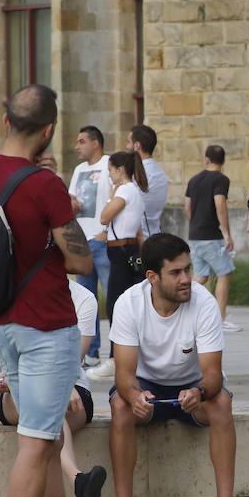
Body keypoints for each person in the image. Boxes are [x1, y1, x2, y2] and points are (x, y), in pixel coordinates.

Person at [0, 85, 109, 497]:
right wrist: (63, 208)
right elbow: (81, 260)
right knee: (35, 443)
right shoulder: (46, 185)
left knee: (43, 441)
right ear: (49, 130)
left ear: (2, 118)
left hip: (0, 323)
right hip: (46, 325)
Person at [106, 233, 239, 497]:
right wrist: (134, 395)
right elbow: (124, 373)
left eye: (188, 269)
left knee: (221, 404)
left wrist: (200, 393)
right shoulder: (129, 302)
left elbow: (213, 376)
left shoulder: (204, 302)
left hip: (193, 387)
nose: (186, 279)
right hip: (147, 386)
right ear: (152, 277)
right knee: (121, 407)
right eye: (176, 272)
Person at [0, 278, 107, 497]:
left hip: (72, 389)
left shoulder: (83, 298)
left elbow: (72, 361)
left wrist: (58, 386)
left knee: (41, 431)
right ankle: (76, 477)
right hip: (15, 394)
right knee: (45, 414)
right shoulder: (7, 291)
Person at [89, 151, 148, 380]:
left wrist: (112, 194)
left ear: (120, 170)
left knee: (116, 306)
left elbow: (104, 217)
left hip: (122, 252)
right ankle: (127, 357)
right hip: (129, 250)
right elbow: (138, 229)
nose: (110, 175)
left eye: (111, 170)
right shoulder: (135, 191)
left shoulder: (124, 190)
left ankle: (115, 359)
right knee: (129, 305)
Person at [67, 125, 112, 367]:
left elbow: (117, 196)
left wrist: (107, 230)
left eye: (82, 141)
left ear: (96, 143)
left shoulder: (108, 164)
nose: (77, 146)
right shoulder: (78, 170)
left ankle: (118, 353)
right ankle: (91, 352)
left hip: (102, 240)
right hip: (81, 243)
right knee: (86, 299)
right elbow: (72, 199)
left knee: (114, 298)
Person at [184, 144, 241, 332]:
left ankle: (182, 311)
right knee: (225, 273)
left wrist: (196, 225)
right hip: (211, 236)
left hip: (194, 235)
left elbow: (187, 208)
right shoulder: (221, 179)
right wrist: (227, 234)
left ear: (206, 159)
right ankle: (220, 319)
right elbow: (220, 205)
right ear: (223, 161)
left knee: (200, 277)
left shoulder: (193, 180)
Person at [128, 124, 167, 236]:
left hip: (139, 236)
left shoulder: (138, 173)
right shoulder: (160, 172)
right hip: (154, 232)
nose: (127, 146)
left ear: (137, 145)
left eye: (129, 142)